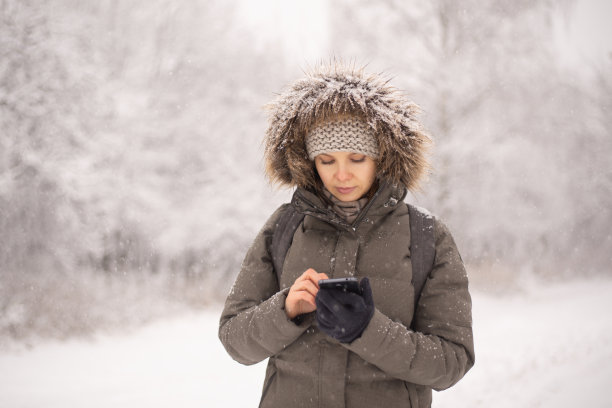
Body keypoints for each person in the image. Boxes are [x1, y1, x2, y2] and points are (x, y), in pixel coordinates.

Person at [218, 63, 474, 408]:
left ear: (381, 157)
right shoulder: (283, 227)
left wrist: (368, 329)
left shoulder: (427, 236)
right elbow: (235, 340)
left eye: (357, 158)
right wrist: (286, 309)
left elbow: (451, 361)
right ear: (310, 162)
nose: (342, 175)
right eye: (326, 160)